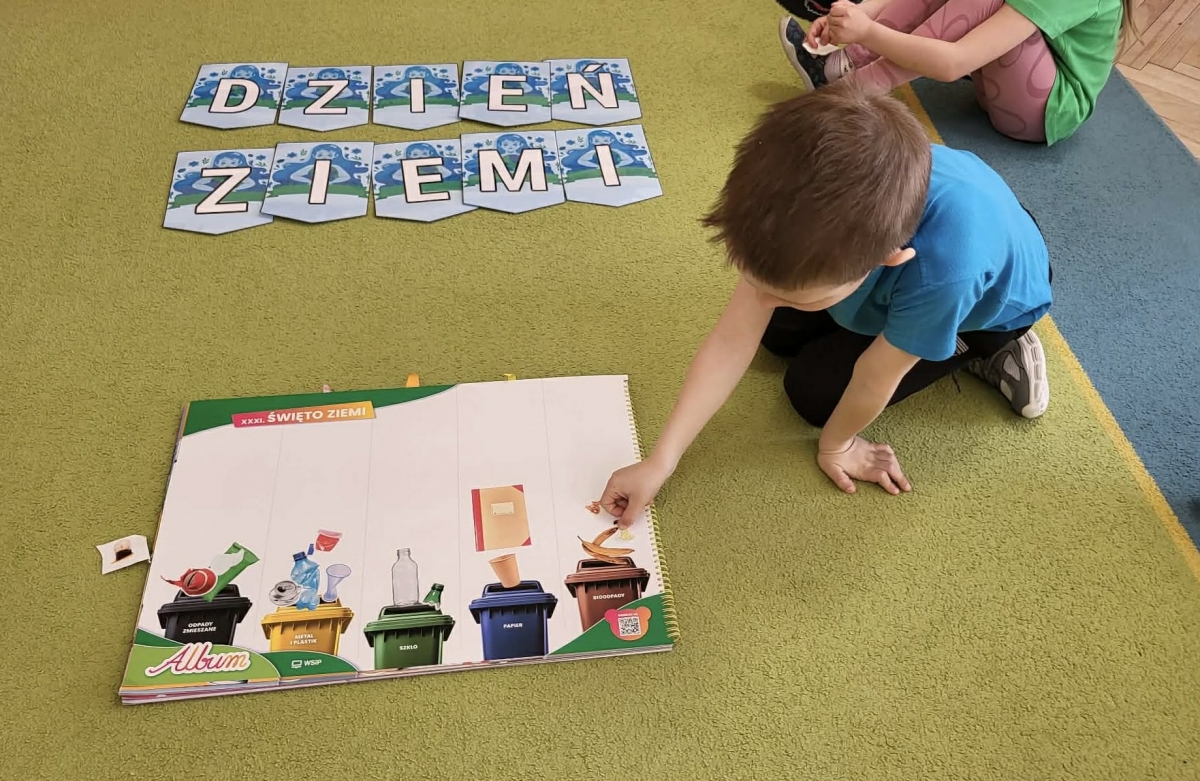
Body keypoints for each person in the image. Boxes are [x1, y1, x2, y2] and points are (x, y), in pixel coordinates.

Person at [599, 82, 1052, 525]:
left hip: (994, 302)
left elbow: (875, 378)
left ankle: (988, 348)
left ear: (886, 260)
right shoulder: (807, 202)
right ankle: (839, 304)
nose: (761, 300)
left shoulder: (945, 274)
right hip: (920, 245)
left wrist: (839, 445)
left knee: (814, 394)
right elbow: (732, 339)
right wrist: (661, 460)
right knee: (775, 330)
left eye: (782, 294)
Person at [776, 0, 1133, 144]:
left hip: (1043, 112)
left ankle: (850, 91)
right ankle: (840, 69)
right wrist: (853, 17)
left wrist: (868, 32)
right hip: (1002, 79)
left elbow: (954, 63)